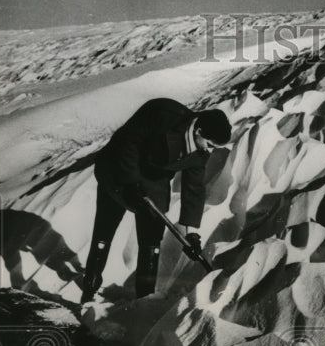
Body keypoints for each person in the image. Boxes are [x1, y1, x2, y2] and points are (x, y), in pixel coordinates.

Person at [80, 98, 231, 303]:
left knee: (152, 237)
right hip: (118, 169)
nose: (210, 151)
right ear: (199, 131)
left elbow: (193, 189)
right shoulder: (162, 113)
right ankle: (89, 290)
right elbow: (127, 142)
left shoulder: (200, 151)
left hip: (153, 181)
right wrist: (130, 181)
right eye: (210, 144)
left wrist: (192, 235)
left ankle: (144, 300)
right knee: (105, 229)